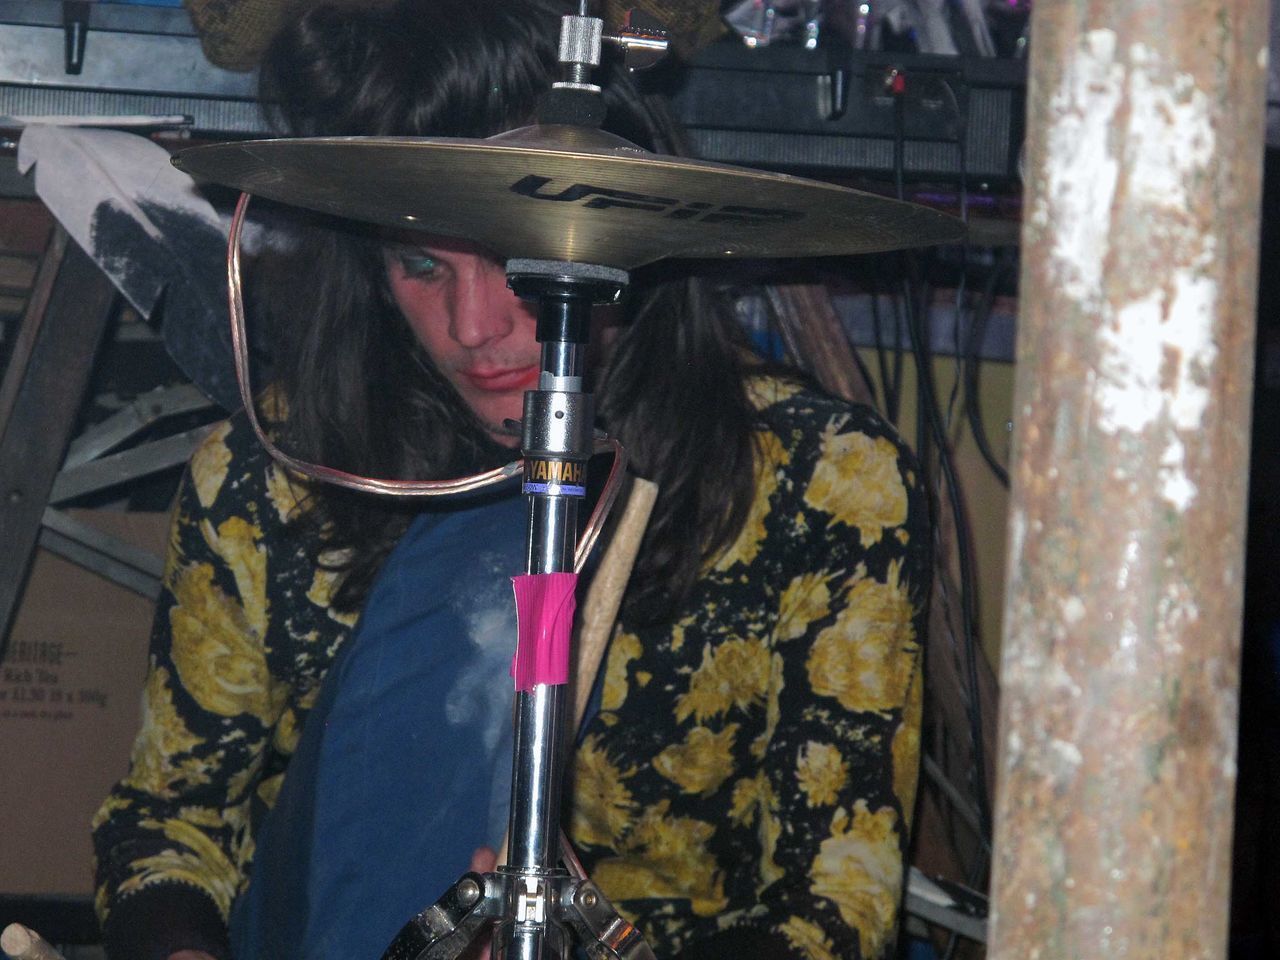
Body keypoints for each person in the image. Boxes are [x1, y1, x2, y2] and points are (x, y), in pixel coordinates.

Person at [90, 2, 931, 958]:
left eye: (510, 263)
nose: (474, 326)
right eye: (420, 267)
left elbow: (838, 904)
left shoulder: (825, 485)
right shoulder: (267, 477)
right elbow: (167, 821)